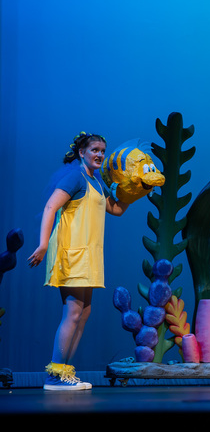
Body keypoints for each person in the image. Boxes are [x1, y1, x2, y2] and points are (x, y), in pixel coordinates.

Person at [28, 132, 130, 391]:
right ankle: (54, 376)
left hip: (89, 254)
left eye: (102, 151)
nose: (99, 155)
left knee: (84, 313)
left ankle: (64, 374)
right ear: (82, 152)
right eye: (95, 149)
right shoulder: (75, 177)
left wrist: (135, 190)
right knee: (73, 312)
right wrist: (42, 244)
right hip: (73, 251)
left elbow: (116, 209)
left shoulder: (96, 180)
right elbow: (51, 207)